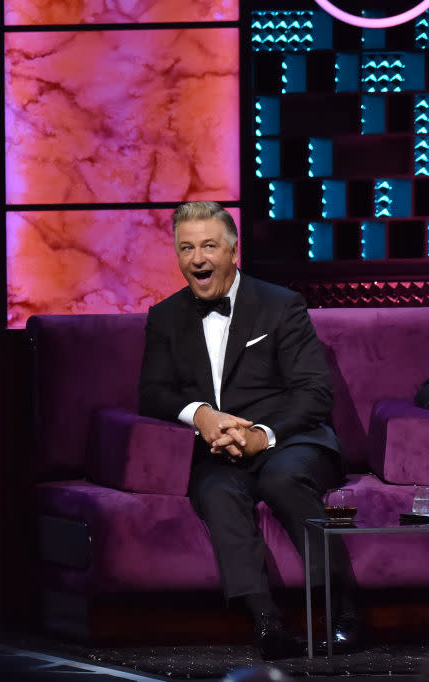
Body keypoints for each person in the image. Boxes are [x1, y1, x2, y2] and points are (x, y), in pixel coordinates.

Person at [137, 201, 359, 660]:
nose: (198, 258)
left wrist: (262, 433)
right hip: (219, 451)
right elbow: (152, 393)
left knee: (282, 478)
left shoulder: (280, 305)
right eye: (187, 248)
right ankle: (265, 623)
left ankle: (343, 615)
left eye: (209, 246)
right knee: (216, 490)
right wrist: (201, 415)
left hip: (290, 440)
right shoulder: (164, 317)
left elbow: (314, 393)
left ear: (233, 251)